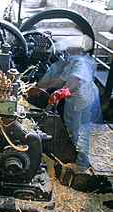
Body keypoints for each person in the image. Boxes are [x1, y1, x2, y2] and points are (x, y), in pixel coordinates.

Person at [35, 35, 102, 173]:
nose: (67, 49)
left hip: (79, 100)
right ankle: (79, 159)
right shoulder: (84, 59)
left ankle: (81, 163)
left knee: (76, 130)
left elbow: (76, 81)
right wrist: (45, 87)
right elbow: (62, 79)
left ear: (78, 49)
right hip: (84, 98)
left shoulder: (78, 61)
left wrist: (62, 91)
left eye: (70, 47)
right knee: (80, 128)